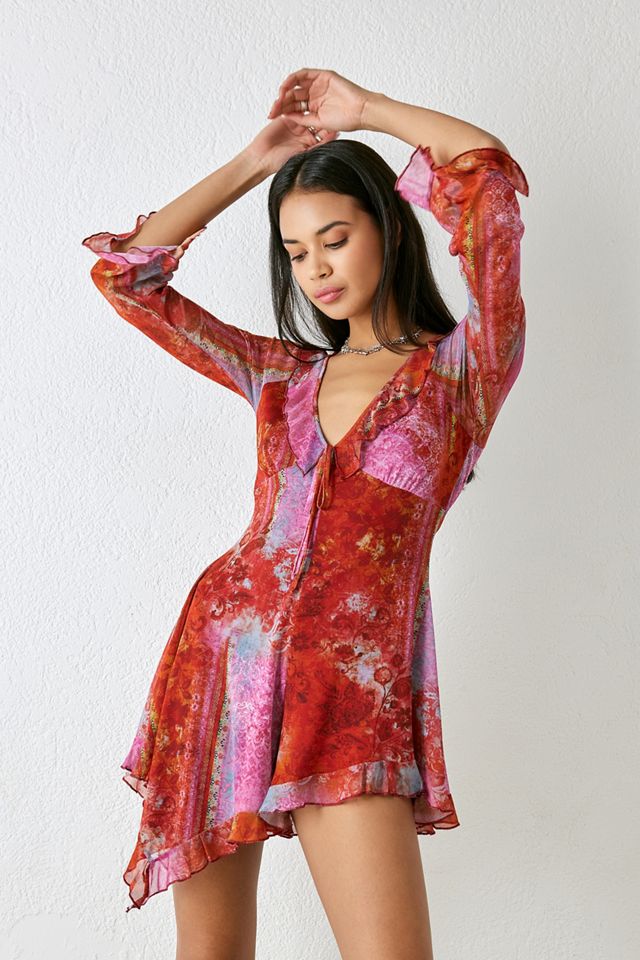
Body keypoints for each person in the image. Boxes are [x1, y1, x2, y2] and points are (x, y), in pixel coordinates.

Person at [82, 68, 529, 960]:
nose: (316, 267)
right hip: (223, 661)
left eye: (335, 237)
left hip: (350, 693)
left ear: (388, 228)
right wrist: (257, 161)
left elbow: (488, 181)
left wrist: (365, 112)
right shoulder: (278, 375)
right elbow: (128, 279)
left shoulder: (462, 373)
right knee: (210, 953)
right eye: (295, 251)